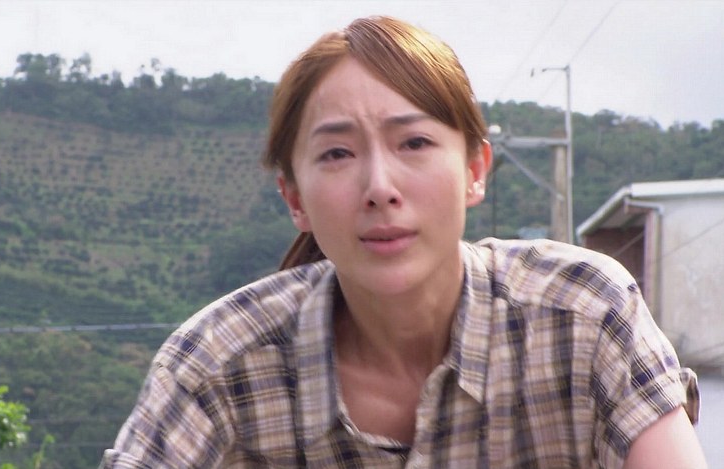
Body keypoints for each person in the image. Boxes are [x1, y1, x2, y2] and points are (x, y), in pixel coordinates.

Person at [100, 16, 705, 468]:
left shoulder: (584, 314)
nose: (380, 188)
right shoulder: (216, 367)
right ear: (295, 198)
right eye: (337, 153)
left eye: (414, 143)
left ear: (475, 170)